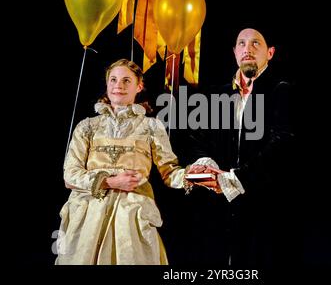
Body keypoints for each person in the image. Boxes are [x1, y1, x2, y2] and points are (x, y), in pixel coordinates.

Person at [55, 59, 192, 265]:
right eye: (113, 80)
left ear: (139, 86)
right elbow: (70, 175)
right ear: (107, 84)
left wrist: (192, 175)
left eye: (126, 80)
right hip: (88, 218)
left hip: (131, 216)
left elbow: (169, 172)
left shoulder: (151, 127)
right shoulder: (87, 127)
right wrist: (110, 182)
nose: (118, 85)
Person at [183, 27, 295, 266]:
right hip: (217, 207)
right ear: (235, 52)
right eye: (242, 44)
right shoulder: (217, 95)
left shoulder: (281, 90)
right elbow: (196, 143)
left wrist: (237, 179)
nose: (248, 49)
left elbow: (282, 144)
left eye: (256, 43)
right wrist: (210, 176)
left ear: (270, 53)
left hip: (263, 205)